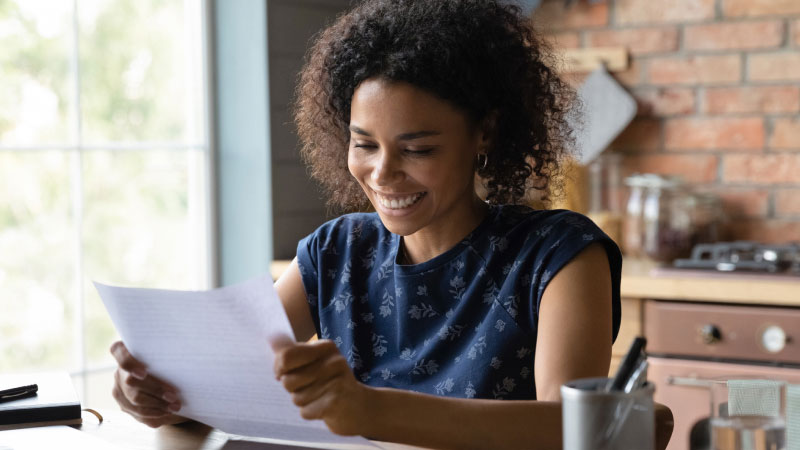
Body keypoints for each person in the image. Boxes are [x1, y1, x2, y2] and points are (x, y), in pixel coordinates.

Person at [109, 0, 621, 448]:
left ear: (484, 133)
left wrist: (371, 410)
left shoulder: (559, 255)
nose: (382, 173)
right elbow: (224, 383)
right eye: (364, 144)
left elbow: (572, 430)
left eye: (418, 149)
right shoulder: (336, 250)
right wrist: (159, 396)